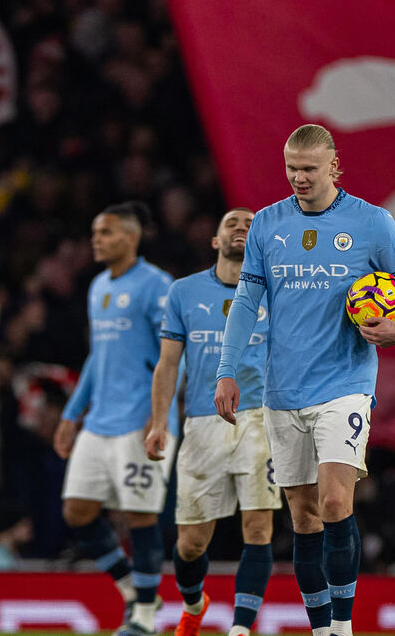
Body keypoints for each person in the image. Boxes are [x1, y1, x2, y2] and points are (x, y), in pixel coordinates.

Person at [214, 124, 395, 636]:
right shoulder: (268, 224)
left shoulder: (372, 223)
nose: (299, 178)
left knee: (336, 501)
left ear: (334, 166)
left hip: (345, 383)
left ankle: (342, 626)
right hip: (281, 389)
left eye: (309, 169)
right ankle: (320, 629)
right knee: (304, 518)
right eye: (291, 168)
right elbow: (247, 303)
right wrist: (228, 371)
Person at [145, 208, 279, 636]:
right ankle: (193, 601)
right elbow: (168, 365)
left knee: (258, 527)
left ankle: (240, 629)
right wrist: (158, 423)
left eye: (249, 225)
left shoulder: (278, 294)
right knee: (190, 544)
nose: (241, 228)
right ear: (215, 241)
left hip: (260, 419)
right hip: (202, 423)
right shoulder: (184, 293)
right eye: (231, 225)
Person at [56, 201, 178, 636]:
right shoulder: (97, 287)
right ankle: (133, 589)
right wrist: (72, 413)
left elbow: (175, 353)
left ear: (130, 237)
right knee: (77, 511)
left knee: (139, 515)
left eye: (105, 233)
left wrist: (159, 414)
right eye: (95, 233)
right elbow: (98, 356)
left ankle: (144, 617)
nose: (96, 240)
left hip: (141, 420)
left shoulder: (157, 286)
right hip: (100, 419)